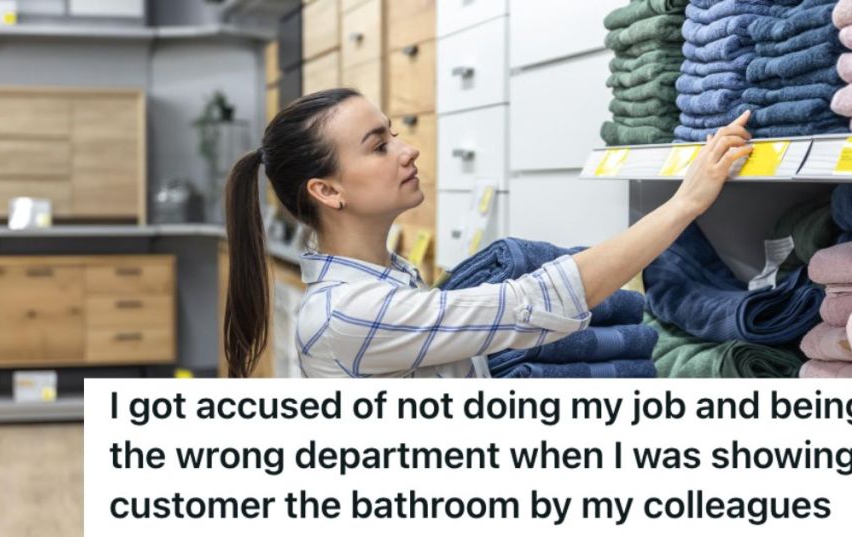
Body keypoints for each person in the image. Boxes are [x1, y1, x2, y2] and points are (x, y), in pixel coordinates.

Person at [224, 88, 753, 378]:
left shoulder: (386, 281)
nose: (407, 150)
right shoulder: (345, 313)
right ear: (327, 192)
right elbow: (534, 301)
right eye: (378, 145)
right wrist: (686, 201)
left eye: (395, 134)